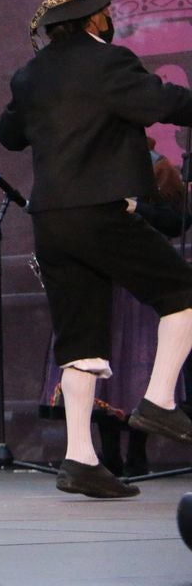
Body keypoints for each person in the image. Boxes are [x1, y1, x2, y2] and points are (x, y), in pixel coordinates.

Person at [0, 0, 192, 498]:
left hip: (50, 220)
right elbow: (163, 102)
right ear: (92, 15)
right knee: (184, 295)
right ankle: (159, 401)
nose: (111, 13)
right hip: (99, 211)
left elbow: (9, 134)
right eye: (106, 7)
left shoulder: (29, 74)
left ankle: (80, 459)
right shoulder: (109, 63)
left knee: (81, 339)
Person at [38, 137, 188, 477]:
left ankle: (137, 453)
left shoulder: (156, 165)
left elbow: (177, 219)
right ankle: (104, 455)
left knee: (138, 364)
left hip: (140, 281)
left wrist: (137, 209)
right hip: (99, 277)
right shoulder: (85, 163)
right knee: (99, 358)